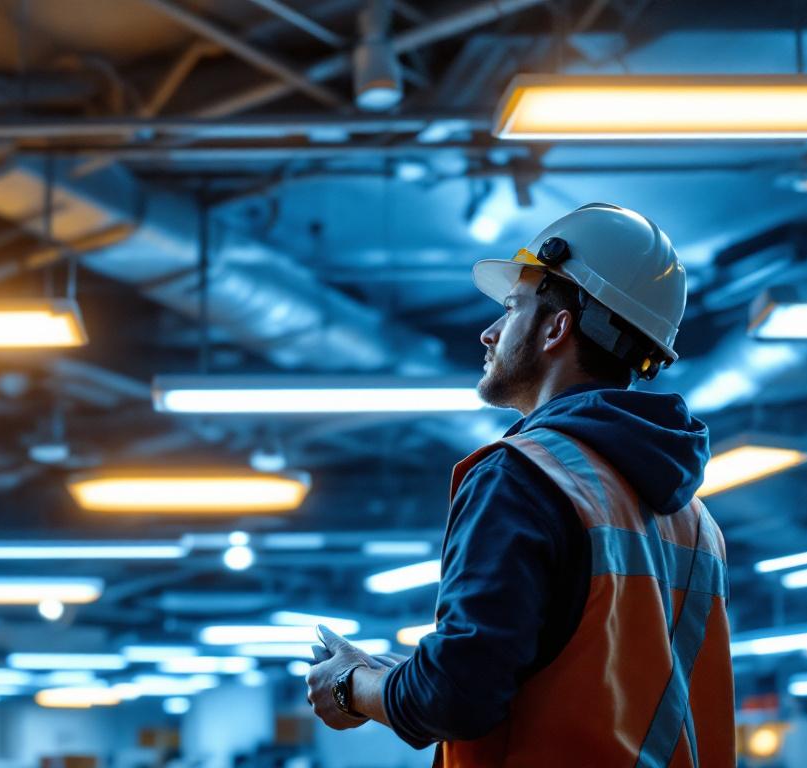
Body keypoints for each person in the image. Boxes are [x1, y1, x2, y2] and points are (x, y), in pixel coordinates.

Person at [305, 203, 735, 766]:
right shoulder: (695, 522)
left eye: (511, 309)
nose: (489, 333)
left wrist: (350, 687)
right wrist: (401, 677)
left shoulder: (523, 477)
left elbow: (454, 698)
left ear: (557, 327)